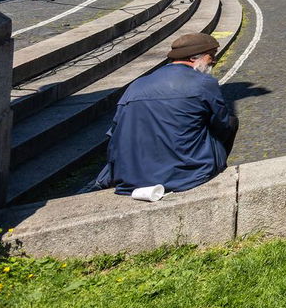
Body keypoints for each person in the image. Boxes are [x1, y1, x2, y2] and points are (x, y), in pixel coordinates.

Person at [95, 32, 236, 195]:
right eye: (211, 56)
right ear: (193, 58)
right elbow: (221, 124)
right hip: (187, 175)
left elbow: (115, 131)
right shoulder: (204, 82)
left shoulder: (137, 84)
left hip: (130, 175)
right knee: (231, 122)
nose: (214, 61)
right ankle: (217, 169)